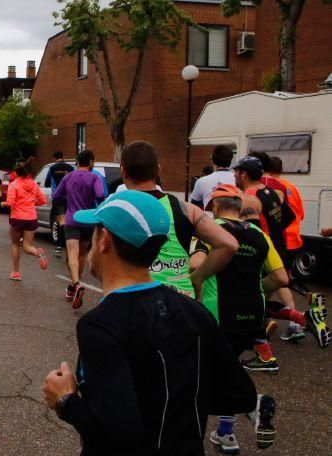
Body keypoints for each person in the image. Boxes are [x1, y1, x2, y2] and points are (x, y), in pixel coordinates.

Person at [41, 190, 268, 456]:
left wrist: (65, 401)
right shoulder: (193, 311)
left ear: (104, 240)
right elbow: (239, 395)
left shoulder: (101, 325)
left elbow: (116, 435)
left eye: (95, 230)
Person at [188, 184, 280, 453]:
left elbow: (195, 264)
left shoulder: (211, 229)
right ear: (238, 207)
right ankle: (226, 433)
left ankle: (251, 406)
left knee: (202, 377)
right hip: (252, 315)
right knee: (227, 367)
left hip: (217, 314)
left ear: (214, 206)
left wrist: (198, 282)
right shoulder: (259, 234)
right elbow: (280, 277)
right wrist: (254, 289)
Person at [117, 142, 238, 302]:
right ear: (158, 170)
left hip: (133, 301)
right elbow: (229, 244)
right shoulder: (185, 209)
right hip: (180, 303)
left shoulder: (114, 209)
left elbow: (96, 263)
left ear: (123, 171)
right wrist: (197, 277)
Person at [234, 156, 326, 346]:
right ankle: (265, 331)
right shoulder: (270, 191)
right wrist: (275, 232)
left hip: (263, 253)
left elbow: (249, 232)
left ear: (243, 174)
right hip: (279, 246)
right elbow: (290, 215)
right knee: (260, 299)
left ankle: (300, 320)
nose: (234, 175)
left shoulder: (249, 197)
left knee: (249, 296)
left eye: (236, 171)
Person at [51, 150, 104, 308]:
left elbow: (55, 196)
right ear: (91, 162)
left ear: (78, 162)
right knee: (82, 255)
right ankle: (74, 286)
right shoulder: (95, 177)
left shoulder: (68, 177)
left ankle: (76, 284)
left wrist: (70, 197)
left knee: (72, 254)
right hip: (88, 220)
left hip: (72, 219)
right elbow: (100, 194)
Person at [1, 159, 48, 280]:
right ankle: (37, 252)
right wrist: (32, 203)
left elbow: (10, 203)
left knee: (15, 245)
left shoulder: (14, 184)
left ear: (16, 173)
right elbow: (43, 200)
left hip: (17, 218)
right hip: (31, 218)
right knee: (27, 246)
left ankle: (16, 273)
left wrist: (3, 203)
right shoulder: (33, 184)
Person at [46, 152, 75, 254]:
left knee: (59, 221)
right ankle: (69, 243)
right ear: (64, 157)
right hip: (69, 197)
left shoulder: (52, 168)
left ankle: (59, 245)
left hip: (57, 197)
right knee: (69, 219)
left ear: (54, 158)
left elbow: (47, 182)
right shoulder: (71, 168)